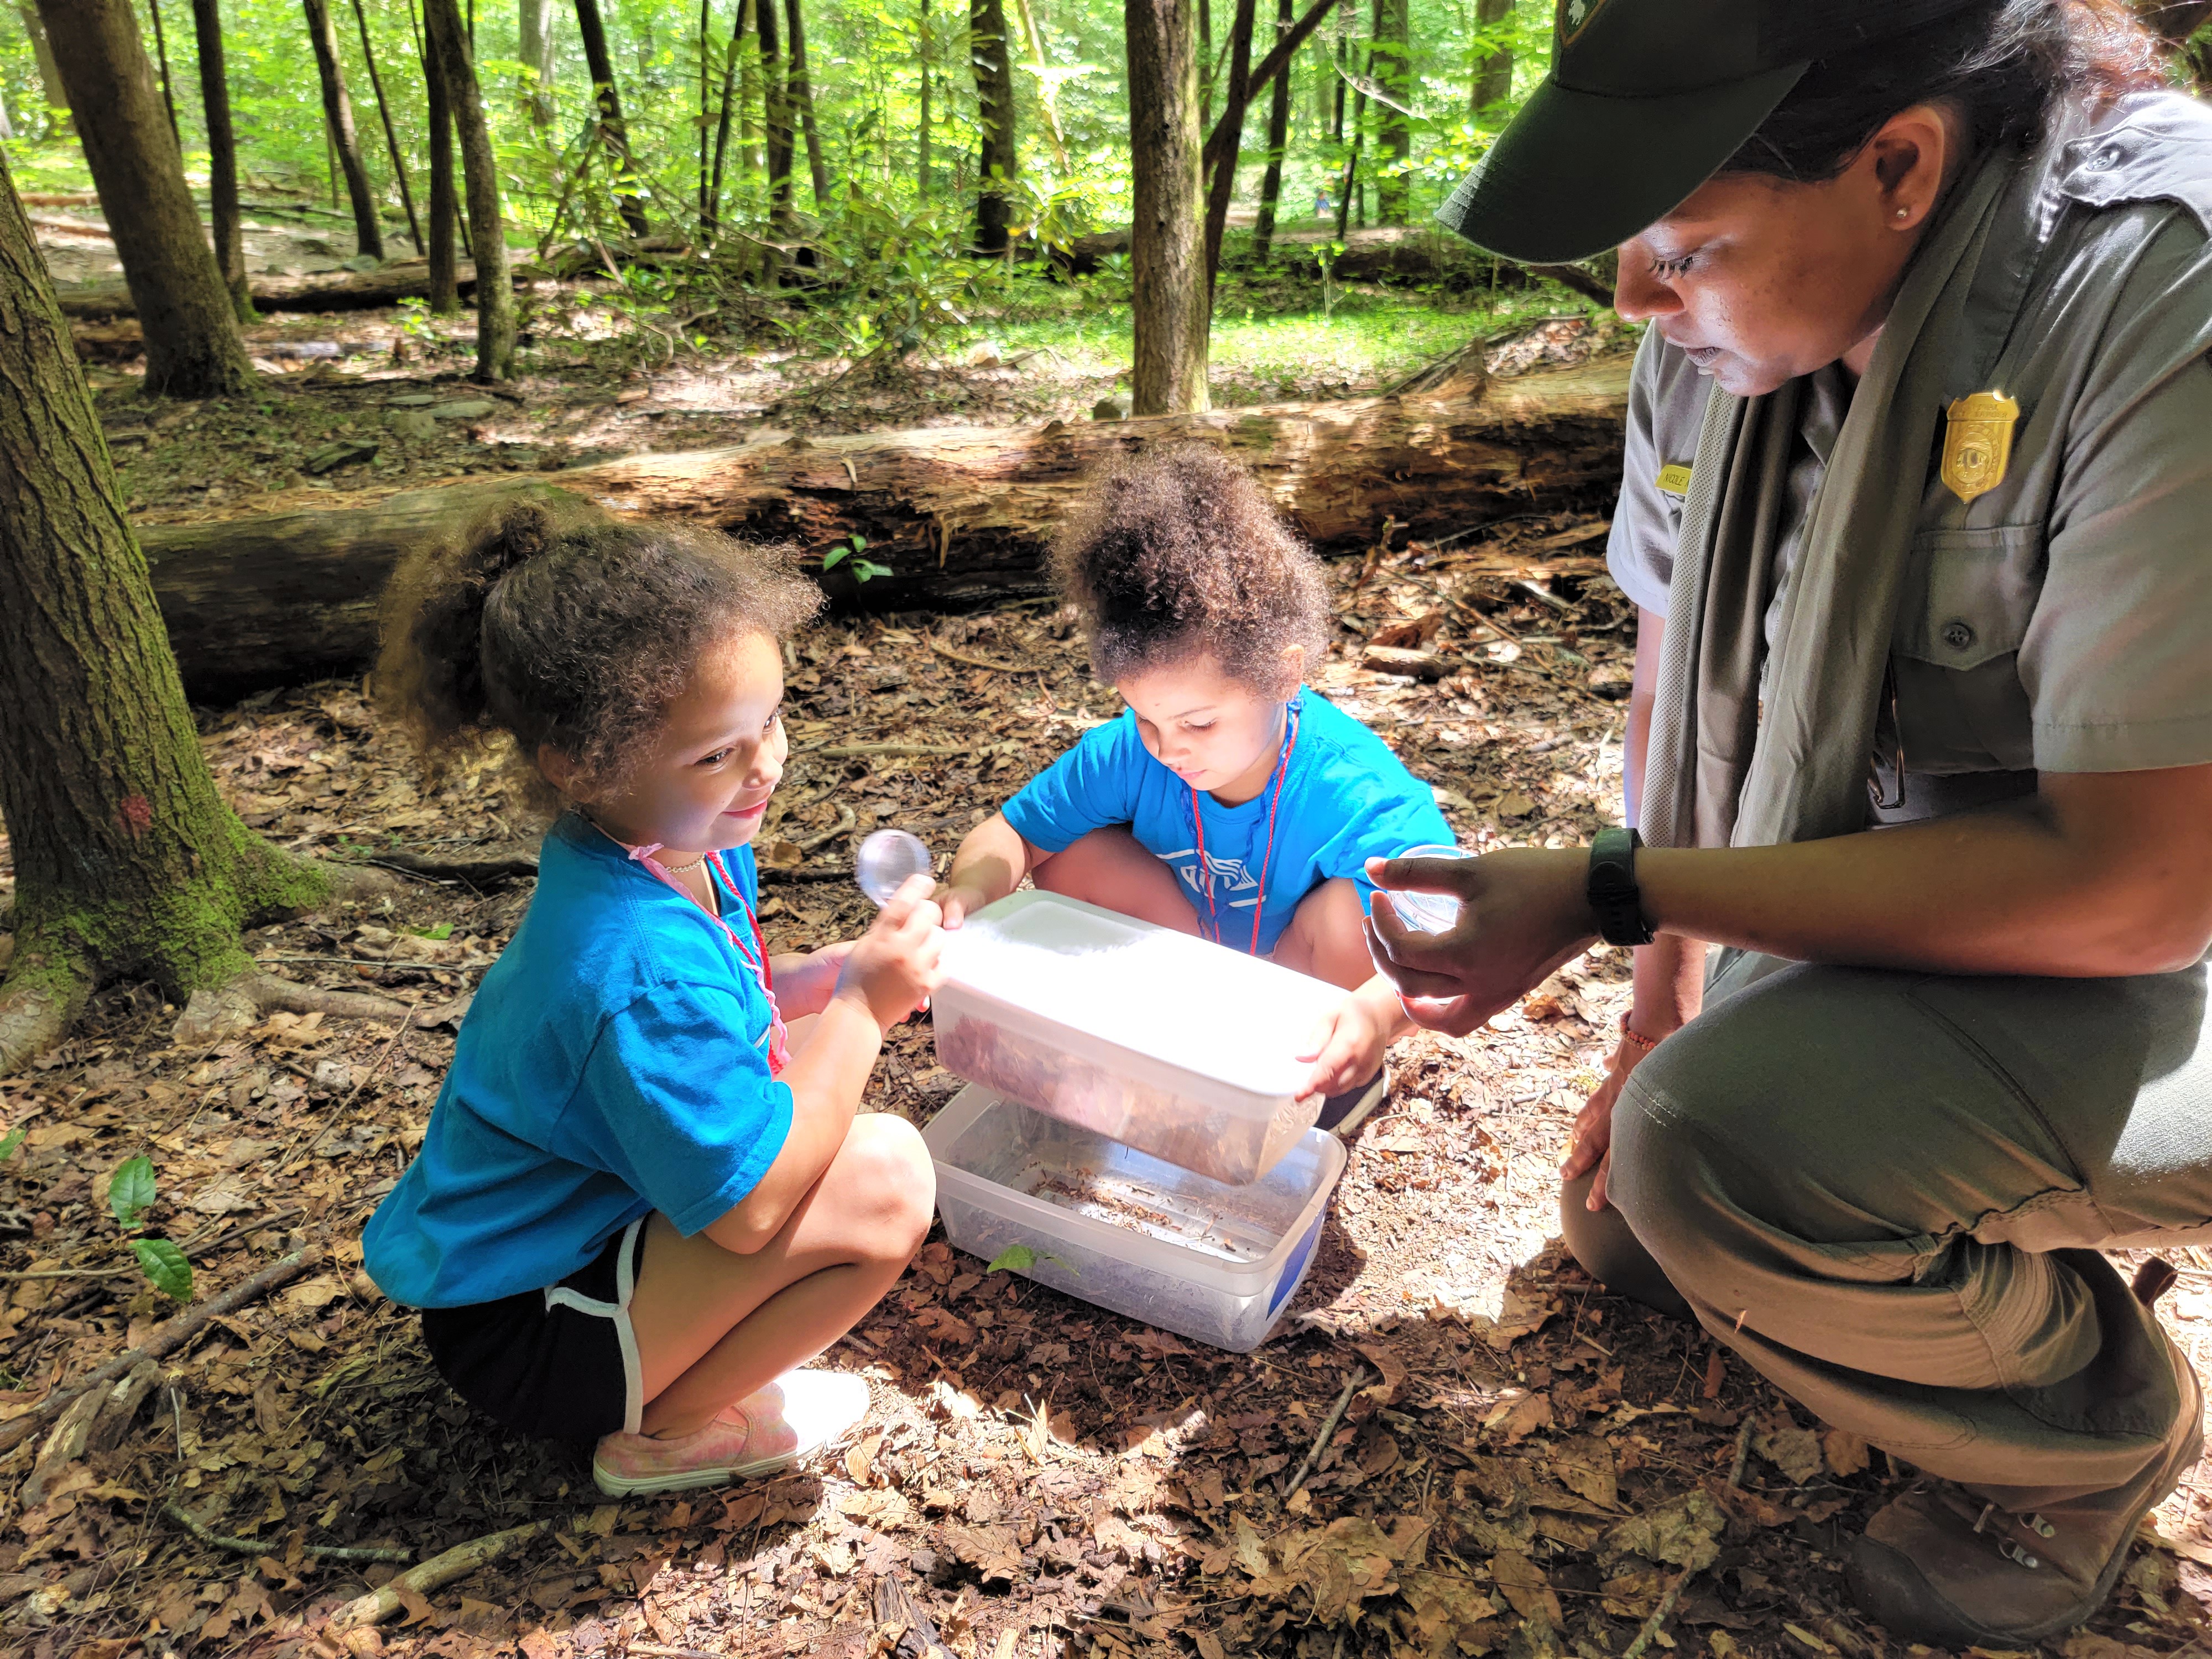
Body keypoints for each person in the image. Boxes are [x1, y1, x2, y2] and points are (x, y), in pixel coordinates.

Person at [1368, 0, 2212, 1646]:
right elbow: (1683, 695)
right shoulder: (1721, 341)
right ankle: (1939, 1228)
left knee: (1723, 1162)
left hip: (2166, 928)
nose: (1631, 293)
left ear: (1898, 164)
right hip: (1981, 907)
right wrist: (1652, 1013)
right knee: (1640, 1208)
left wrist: (1615, 895)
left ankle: (2074, 1435)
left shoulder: (2156, 289)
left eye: (1679, 246)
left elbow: (2142, 892)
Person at [362, 499, 944, 1498]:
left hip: (563, 1261)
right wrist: (858, 1005)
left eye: (769, 722)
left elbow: (733, 993)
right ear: (582, 764)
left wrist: (818, 979)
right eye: (716, 752)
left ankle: (667, 1364)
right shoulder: (634, 965)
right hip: (528, 1329)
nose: (764, 764)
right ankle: (665, 1430)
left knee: (837, 1113)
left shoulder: (678, 846)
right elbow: (753, 1211)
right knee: (886, 1177)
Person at [938, 446, 1453, 1135]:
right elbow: (1011, 834)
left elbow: (1444, 925)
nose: (1167, 747)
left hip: (1303, 990)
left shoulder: (1351, 784)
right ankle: (1156, 1046)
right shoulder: (1132, 752)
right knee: (1069, 853)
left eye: (1199, 723)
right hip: (1181, 969)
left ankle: (1329, 1082)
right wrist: (964, 898)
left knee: (1355, 915)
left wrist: (1375, 1016)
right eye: (1144, 718)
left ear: (1282, 674)